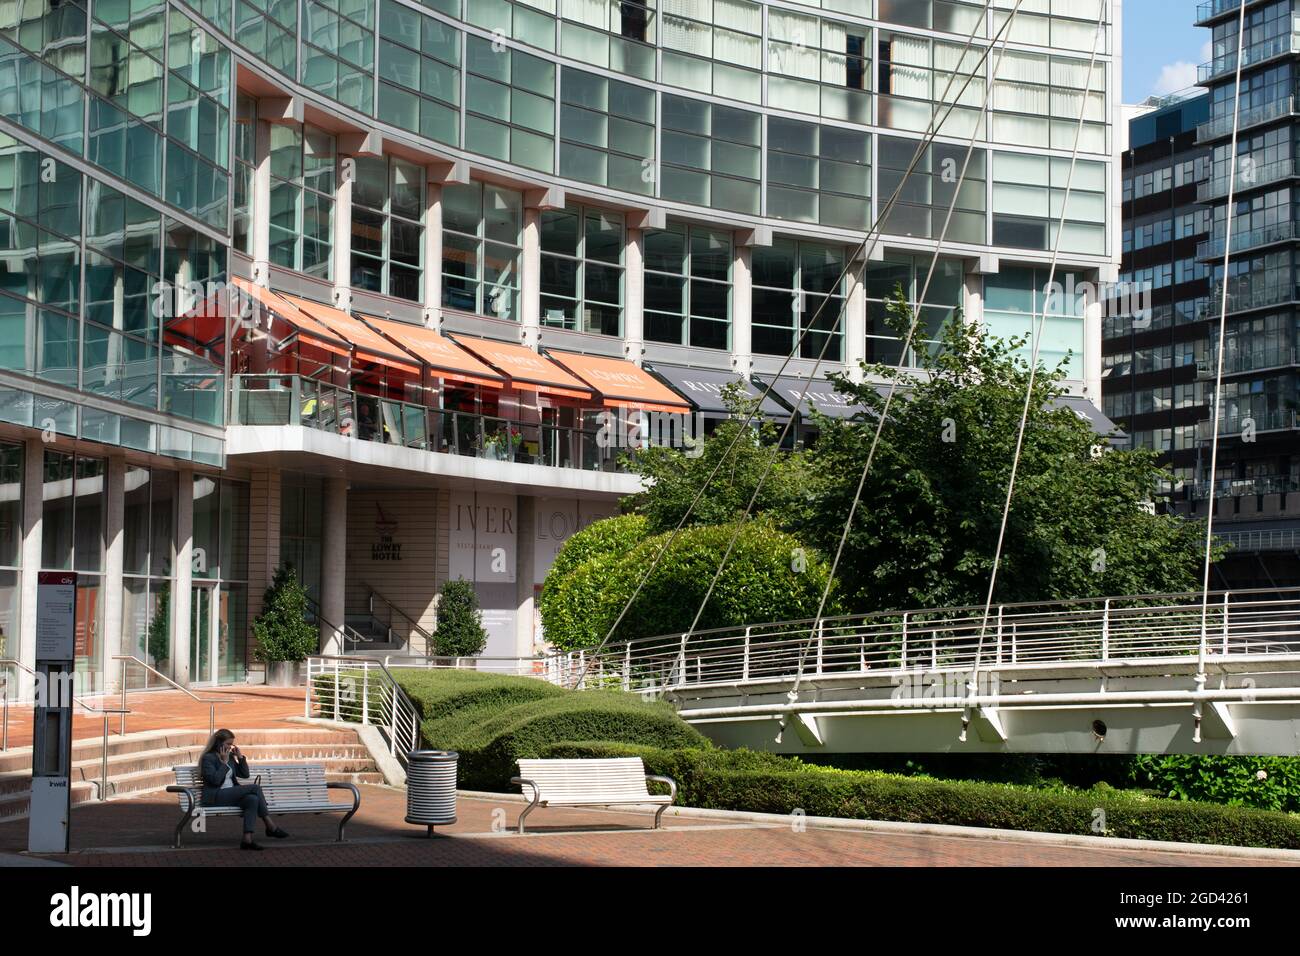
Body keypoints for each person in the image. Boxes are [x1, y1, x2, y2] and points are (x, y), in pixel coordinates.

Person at [199, 729, 289, 850]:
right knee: (255, 788)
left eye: (232, 744)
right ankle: (270, 826)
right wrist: (224, 764)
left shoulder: (229, 756)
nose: (230, 747)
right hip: (215, 796)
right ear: (218, 743)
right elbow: (214, 780)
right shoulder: (208, 758)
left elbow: (245, 774)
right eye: (228, 744)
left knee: (252, 799)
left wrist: (240, 757)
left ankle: (247, 840)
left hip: (230, 794)